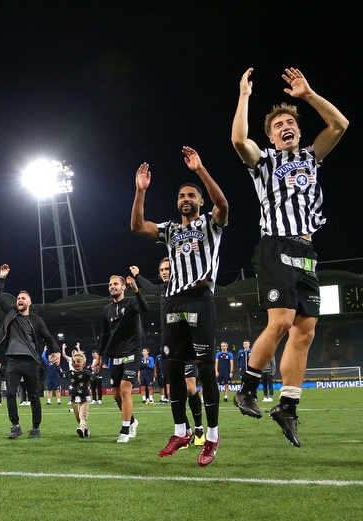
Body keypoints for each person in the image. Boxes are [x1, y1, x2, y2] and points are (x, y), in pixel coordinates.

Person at [231, 67, 349, 447]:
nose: (286, 126)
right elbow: (238, 140)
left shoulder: (313, 157)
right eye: (278, 124)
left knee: (305, 330)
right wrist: (245, 96)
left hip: (307, 250)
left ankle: (288, 406)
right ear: (271, 135)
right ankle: (247, 388)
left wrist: (308, 94)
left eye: (290, 122)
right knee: (280, 321)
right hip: (276, 245)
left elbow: (340, 124)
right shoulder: (264, 161)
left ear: (298, 129)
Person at [130, 146, 228, 466]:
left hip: (199, 299)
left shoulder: (211, 225)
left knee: (203, 370)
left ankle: (211, 437)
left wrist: (200, 170)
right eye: (181, 195)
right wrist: (140, 191)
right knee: (172, 369)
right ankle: (181, 431)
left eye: (191, 195)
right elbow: (137, 226)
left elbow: (223, 205)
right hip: (172, 300)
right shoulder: (170, 229)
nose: (185, 199)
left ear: (200, 201)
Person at [131, 259, 206, 443]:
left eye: (168, 269)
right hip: (168, 346)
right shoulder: (163, 290)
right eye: (162, 269)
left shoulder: (185, 288)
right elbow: (152, 288)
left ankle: (199, 428)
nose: (165, 272)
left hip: (186, 345)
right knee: (175, 391)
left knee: (190, 388)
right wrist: (137, 277)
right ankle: (185, 430)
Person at [0, 264, 59, 440]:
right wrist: (2, 278)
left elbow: (48, 336)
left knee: (34, 395)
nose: (19, 300)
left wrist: (57, 351)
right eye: (18, 298)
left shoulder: (36, 320)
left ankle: (35, 428)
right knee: (10, 393)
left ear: (29, 302)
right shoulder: (11, 314)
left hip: (31, 361)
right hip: (13, 360)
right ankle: (15, 426)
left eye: (23, 298)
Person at [92, 274, 148, 444]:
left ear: (124, 287)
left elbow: (144, 308)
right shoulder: (106, 309)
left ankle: (125, 430)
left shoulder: (131, 303)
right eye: (110, 284)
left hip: (132, 352)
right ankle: (132, 421)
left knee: (125, 390)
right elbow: (105, 334)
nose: (112, 286)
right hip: (115, 354)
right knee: (116, 395)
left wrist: (137, 290)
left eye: (115, 284)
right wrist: (100, 356)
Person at [69, 351, 94, 438]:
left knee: (83, 415)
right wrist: (57, 366)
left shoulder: (86, 373)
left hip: (84, 398)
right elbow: (62, 374)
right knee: (78, 418)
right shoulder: (70, 373)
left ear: (83, 364)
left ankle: (82, 428)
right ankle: (85, 430)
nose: (76, 363)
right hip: (73, 398)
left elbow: (93, 378)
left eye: (78, 361)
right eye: (74, 362)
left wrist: (96, 372)